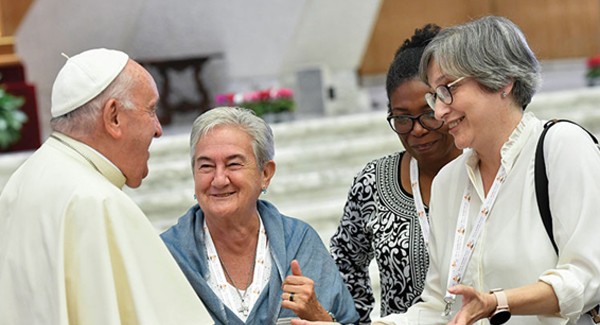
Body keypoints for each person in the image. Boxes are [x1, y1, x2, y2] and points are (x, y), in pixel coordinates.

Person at [370, 15, 600, 325]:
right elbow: (439, 307)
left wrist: (497, 302)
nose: (439, 111)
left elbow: (587, 277)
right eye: (435, 96)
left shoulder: (562, 147)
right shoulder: (448, 182)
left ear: (503, 81)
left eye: (448, 90)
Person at [0, 48, 211, 324]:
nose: (158, 128)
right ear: (113, 117)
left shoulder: (23, 179)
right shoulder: (96, 201)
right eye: (150, 110)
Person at [160, 106, 359, 325]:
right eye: (206, 166)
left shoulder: (299, 242)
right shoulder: (168, 255)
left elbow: (347, 321)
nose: (218, 180)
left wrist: (318, 315)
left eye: (233, 164)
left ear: (265, 174)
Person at [329, 24, 461, 323]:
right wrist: (356, 319)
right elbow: (345, 261)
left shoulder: (487, 169)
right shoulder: (374, 181)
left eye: (427, 114)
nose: (416, 130)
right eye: (401, 118)